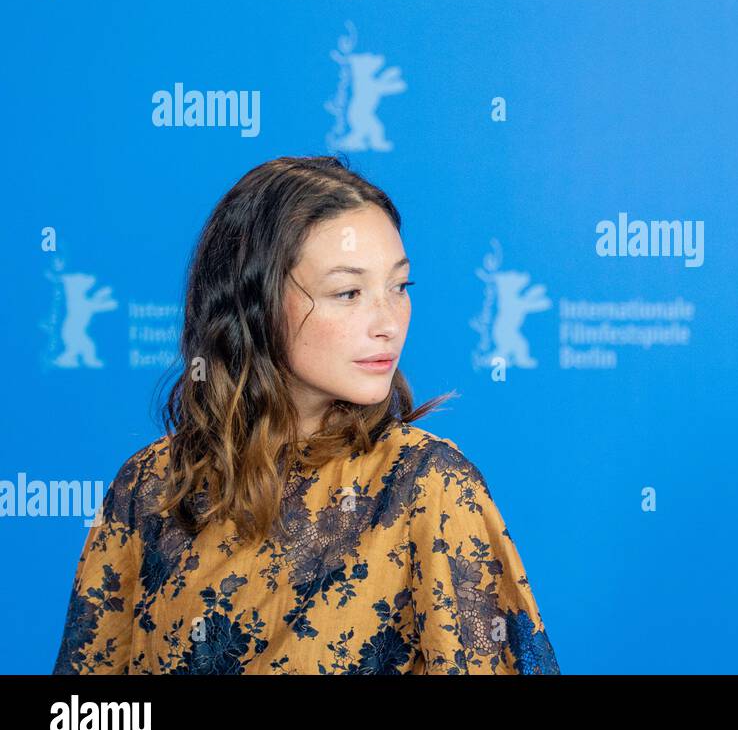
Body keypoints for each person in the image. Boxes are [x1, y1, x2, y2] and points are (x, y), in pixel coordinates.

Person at [52, 155, 559, 674]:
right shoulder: (149, 486)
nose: (388, 322)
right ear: (255, 304)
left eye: (399, 287)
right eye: (349, 292)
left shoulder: (428, 486)